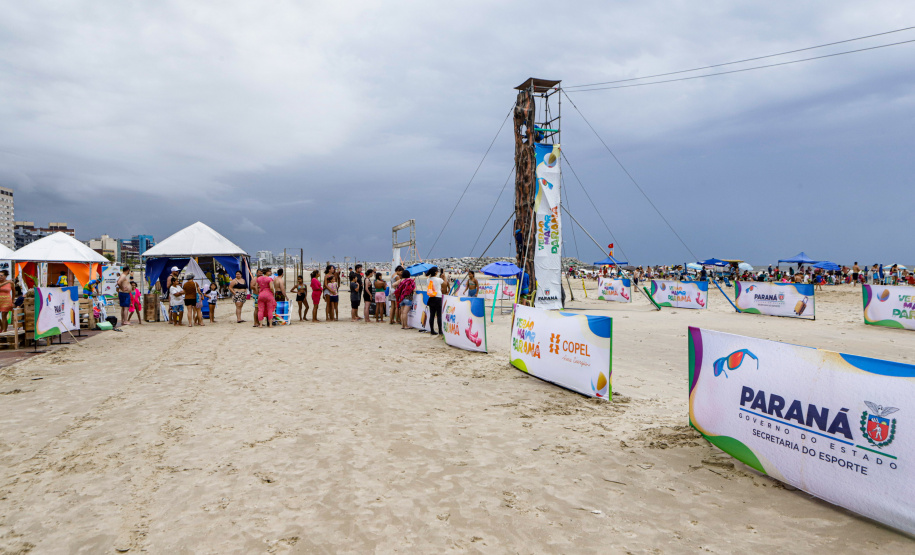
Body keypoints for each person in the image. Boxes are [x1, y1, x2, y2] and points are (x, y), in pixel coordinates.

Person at [427, 267, 444, 336]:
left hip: (431, 297)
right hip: (438, 297)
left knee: (432, 315)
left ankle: (432, 330)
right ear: (436, 272)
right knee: (439, 315)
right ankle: (440, 330)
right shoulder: (439, 279)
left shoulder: (428, 280)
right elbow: (444, 282)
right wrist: (443, 277)